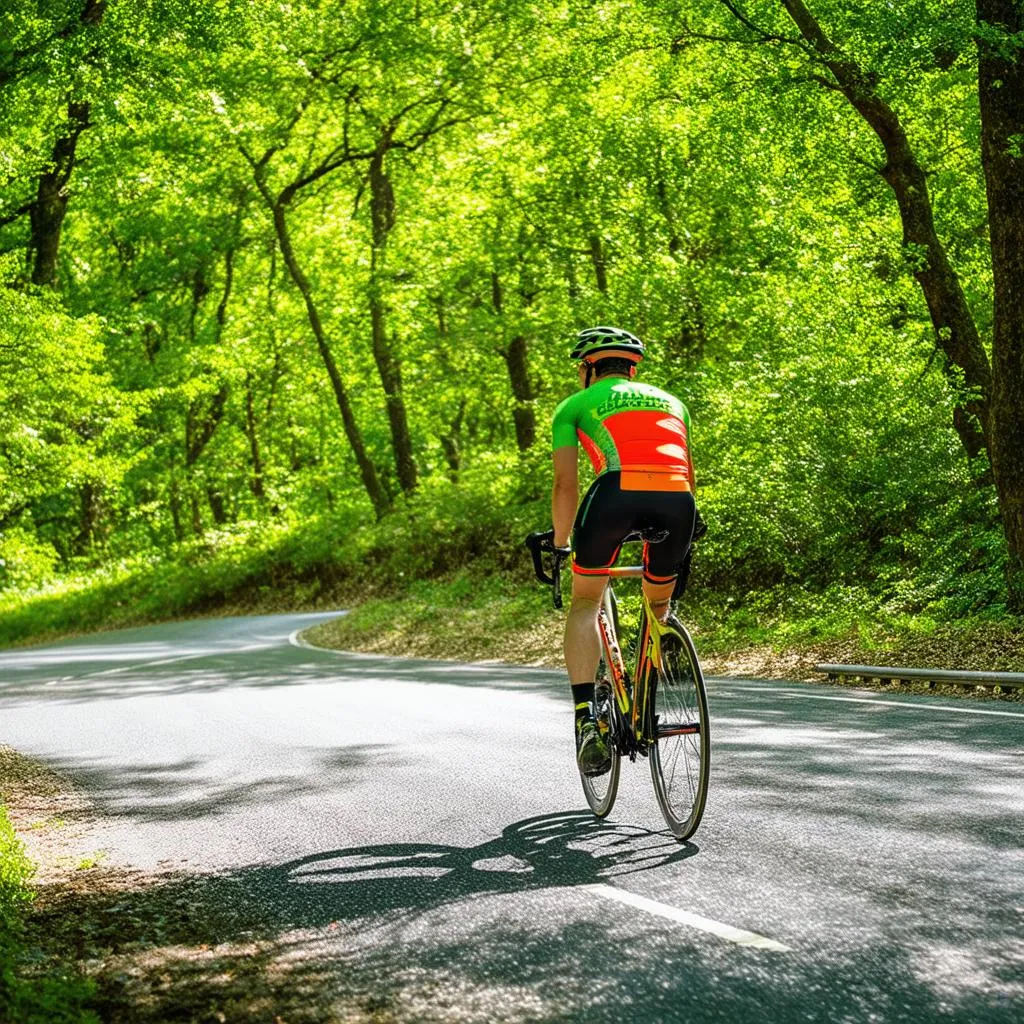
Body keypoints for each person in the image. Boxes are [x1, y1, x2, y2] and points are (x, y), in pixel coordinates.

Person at [551, 326, 697, 777]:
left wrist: (560, 543)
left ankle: (585, 720)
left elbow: (565, 485)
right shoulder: (673, 402)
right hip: (679, 500)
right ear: (633, 368)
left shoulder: (574, 405)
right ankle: (651, 687)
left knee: (585, 600)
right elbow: (684, 471)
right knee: (659, 604)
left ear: (587, 368)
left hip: (614, 495)